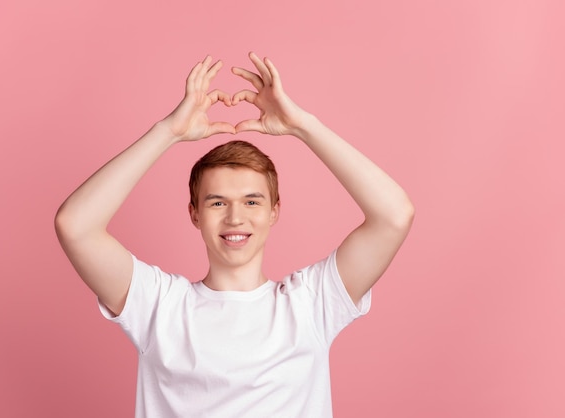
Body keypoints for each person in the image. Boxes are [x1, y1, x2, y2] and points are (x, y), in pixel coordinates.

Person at [55, 52, 415, 417]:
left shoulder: (310, 304)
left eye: (252, 202)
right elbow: (76, 226)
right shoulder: (159, 307)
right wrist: (168, 132)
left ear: (274, 211)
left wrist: (304, 126)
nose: (235, 217)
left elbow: (394, 215)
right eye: (216, 203)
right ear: (194, 214)